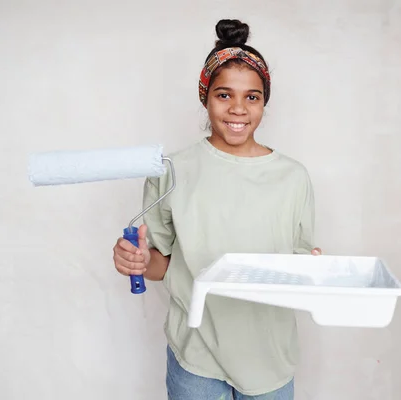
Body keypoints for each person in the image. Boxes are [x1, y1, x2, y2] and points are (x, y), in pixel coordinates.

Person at [112, 18, 321, 400]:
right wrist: (140, 260)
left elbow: (298, 266)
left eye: (252, 97)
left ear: (264, 102)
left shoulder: (294, 177)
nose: (238, 109)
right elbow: (163, 264)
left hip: (269, 361)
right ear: (205, 97)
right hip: (196, 359)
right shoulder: (171, 170)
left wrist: (313, 271)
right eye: (224, 95)